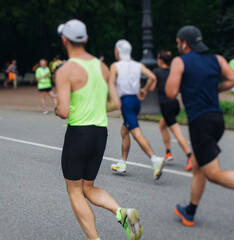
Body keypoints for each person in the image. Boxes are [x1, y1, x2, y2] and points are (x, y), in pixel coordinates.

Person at [166, 25, 234, 227]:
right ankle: (189, 212)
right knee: (199, 167)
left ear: (184, 43)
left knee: (212, 173)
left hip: (200, 123)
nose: (177, 46)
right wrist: (215, 89)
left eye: (177, 42)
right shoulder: (217, 59)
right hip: (217, 120)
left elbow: (171, 92)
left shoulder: (179, 62)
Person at [55, 19, 143, 240]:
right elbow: (116, 103)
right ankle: (122, 212)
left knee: (75, 191)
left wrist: (58, 107)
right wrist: (96, 107)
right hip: (99, 134)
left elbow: (63, 111)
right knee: (88, 187)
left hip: (78, 133)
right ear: (85, 39)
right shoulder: (101, 66)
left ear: (64, 39)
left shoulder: (66, 70)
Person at [109, 40, 166, 180]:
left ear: (118, 51)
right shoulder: (138, 65)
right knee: (124, 131)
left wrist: (113, 101)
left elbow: (110, 84)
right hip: (135, 101)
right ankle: (122, 163)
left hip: (126, 103)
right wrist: (144, 90)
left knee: (136, 133)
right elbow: (152, 77)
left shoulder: (115, 66)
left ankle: (155, 160)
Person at [153, 50, 193, 171]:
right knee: (162, 126)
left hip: (166, 106)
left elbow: (152, 86)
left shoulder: (156, 72)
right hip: (175, 104)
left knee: (176, 132)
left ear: (160, 60)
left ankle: (190, 156)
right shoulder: (172, 72)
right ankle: (168, 152)